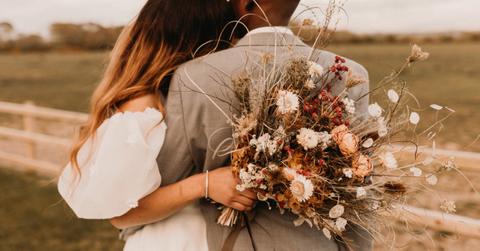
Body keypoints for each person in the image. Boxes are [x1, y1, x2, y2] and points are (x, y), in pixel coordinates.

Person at [153, 0, 373, 250]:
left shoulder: (192, 76)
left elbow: (166, 183)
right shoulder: (349, 74)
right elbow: (360, 188)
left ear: (245, 3)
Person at [57, 1, 256, 250]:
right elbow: (121, 215)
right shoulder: (144, 107)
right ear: (200, 42)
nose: (232, 50)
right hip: (173, 240)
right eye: (227, 41)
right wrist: (204, 184)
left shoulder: (194, 97)